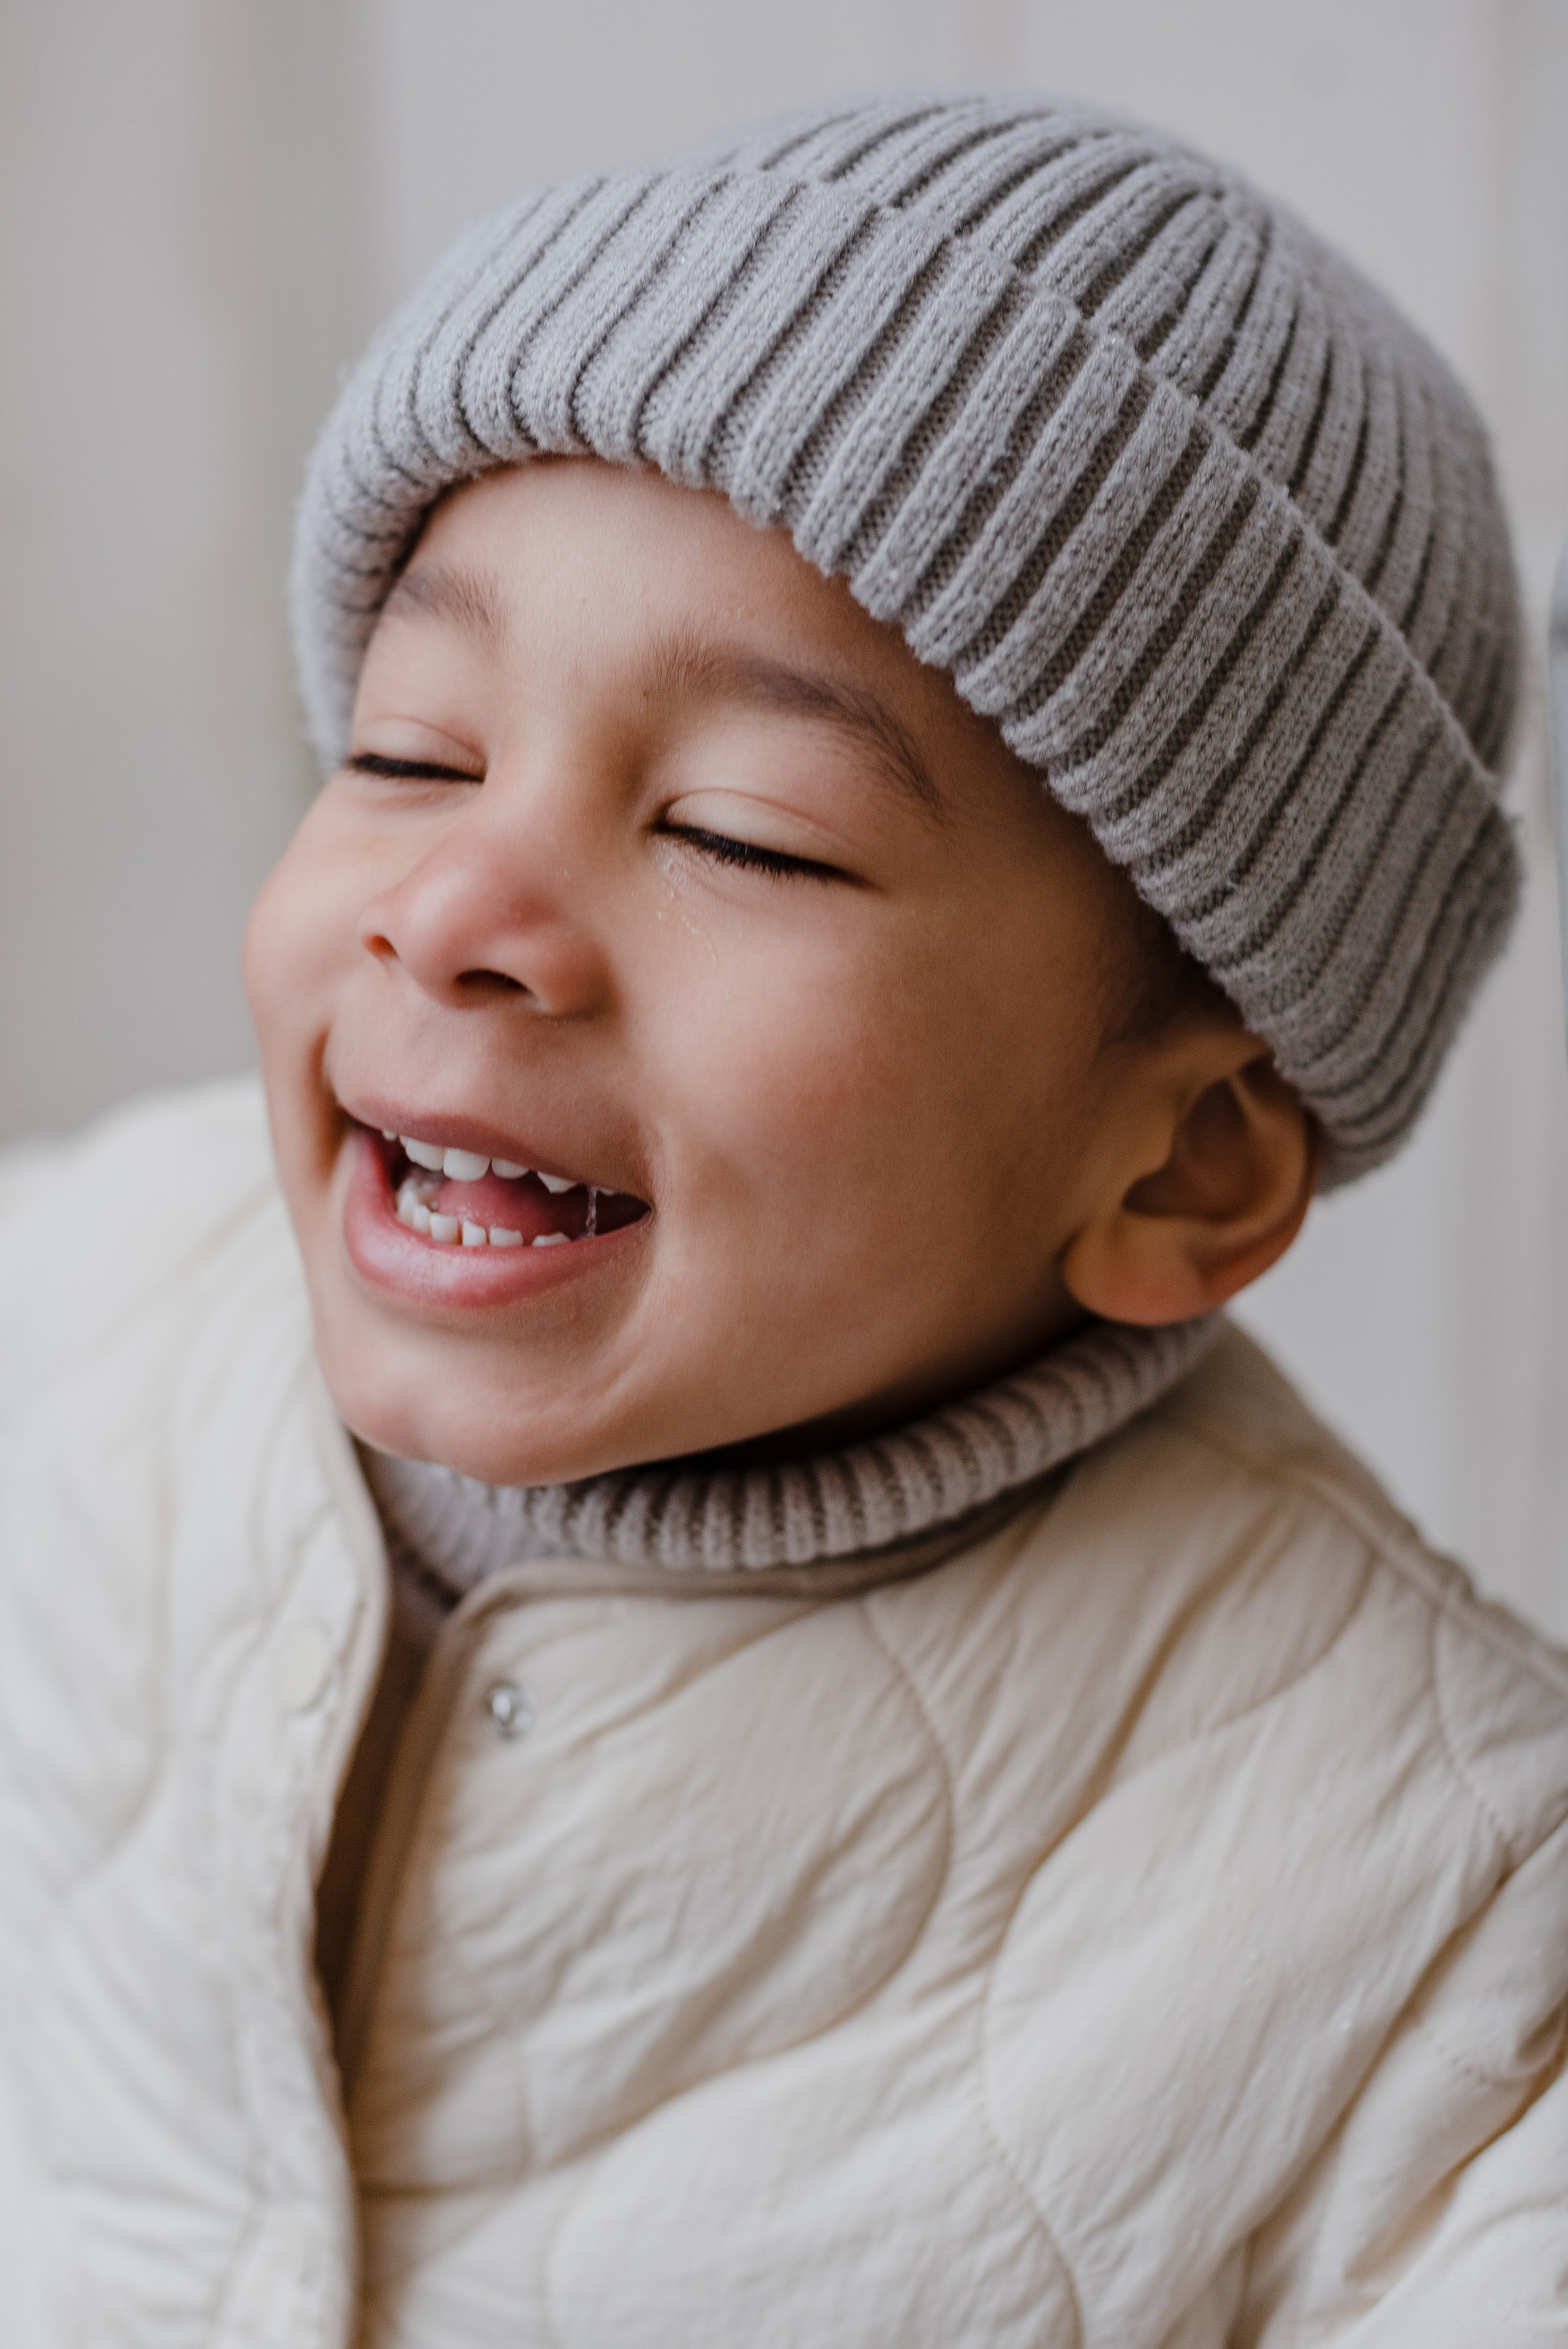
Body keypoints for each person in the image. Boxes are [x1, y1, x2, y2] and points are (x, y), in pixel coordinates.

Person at [3, 94, 1564, 2348]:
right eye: (415, 751)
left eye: (743, 831)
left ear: (1183, 1158)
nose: (454, 910)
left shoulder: (1442, 1956)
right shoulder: (92, 1304)